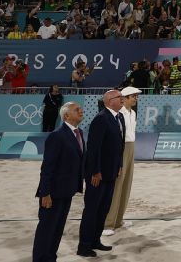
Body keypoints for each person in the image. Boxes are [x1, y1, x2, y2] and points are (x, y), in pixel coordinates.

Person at [33, 102, 84, 262]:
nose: (81, 111)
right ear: (66, 115)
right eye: (77, 110)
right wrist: (45, 193)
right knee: (47, 230)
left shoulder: (79, 133)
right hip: (53, 192)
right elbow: (47, 168)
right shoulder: (57, 135)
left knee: (57, 229)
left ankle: (50, 257)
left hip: (67, 191)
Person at [78, 89, 124, 257]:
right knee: (91, 210)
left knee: (103, 209)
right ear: (110, 100)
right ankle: (83, 246)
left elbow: (119, 146)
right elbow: (93, 149)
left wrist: (119, 164)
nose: (122, 99)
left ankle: (95, 240)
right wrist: (95, 171)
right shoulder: (101, 119)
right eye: (120, 97)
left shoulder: (119, 118)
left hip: (111, 173)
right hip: (98, 175)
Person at [103, 86, 141, 236]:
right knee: (117, 184)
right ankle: (108, 222)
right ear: (124, 98)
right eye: (133, 96)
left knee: (126, 183)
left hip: (131, 147)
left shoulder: (133, 113)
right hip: (121, 147)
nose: (136, 99)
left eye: (136, 96)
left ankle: (119, 219)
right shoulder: (119, 114)